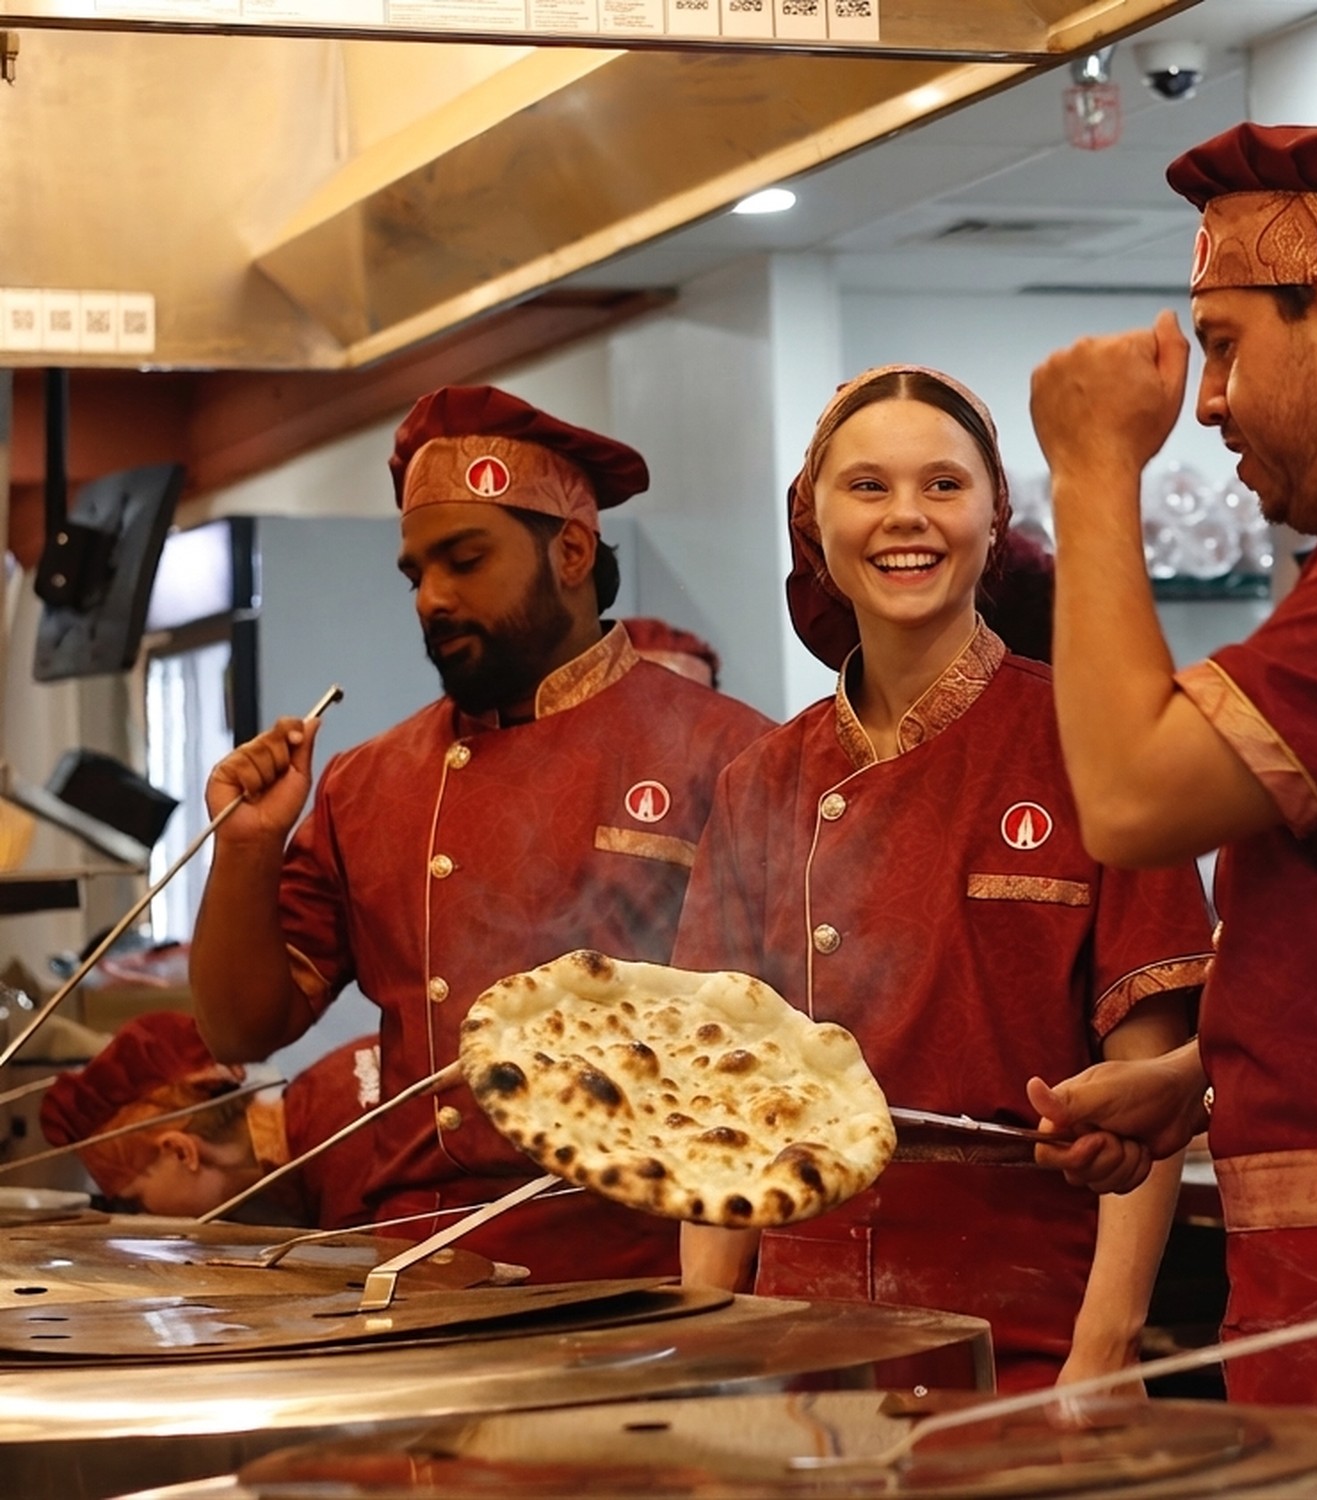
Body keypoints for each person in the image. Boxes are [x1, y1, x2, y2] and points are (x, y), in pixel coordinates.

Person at [1026, 123, 1317, 1418]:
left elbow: (1130, 798)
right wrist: (1202, 1071)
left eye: (1224, 345)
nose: (1212, 400)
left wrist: (1089, 469)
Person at [673, 364, 1213, 1393]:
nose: (905, 517)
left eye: (944, 486)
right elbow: (718, 1108)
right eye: (867, 487)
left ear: (995, 514)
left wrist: (1104, 1352)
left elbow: (1150, 1088)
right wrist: (707, 1347)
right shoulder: (762, 781)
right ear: (813, 518)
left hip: (1025, 1334)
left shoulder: (1092, 741)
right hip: (796, 1342)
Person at [189, 386, 772, 1279]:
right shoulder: (370, 779)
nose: (432, 598)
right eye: (416, 573)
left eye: (464, 560)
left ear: (571, 551)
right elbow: (241, 1027)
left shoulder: (726, 754)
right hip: (415, 1273)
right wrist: (245, 844)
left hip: (637, 1272)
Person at [39, 1010, 382, 1227]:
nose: (144, 1216)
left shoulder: (346, 1178)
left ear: (179, 1151)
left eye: (134, 1200)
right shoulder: (322, 1084)